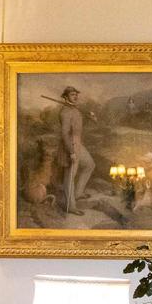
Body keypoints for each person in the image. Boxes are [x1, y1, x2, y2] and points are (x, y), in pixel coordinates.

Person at [58, 86, 94, 216]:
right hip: (70, 144)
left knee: (89, 164)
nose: (75, 96)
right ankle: (70, 206)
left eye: (76, 94)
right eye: (72, 94)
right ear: (66, 97)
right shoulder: (65, 112)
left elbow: (79, 128)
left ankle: (78, 193)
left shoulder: (76, 109)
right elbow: (64, 134)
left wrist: (90, 118)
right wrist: (71, 152)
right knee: (70, 176)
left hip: (78, 142)